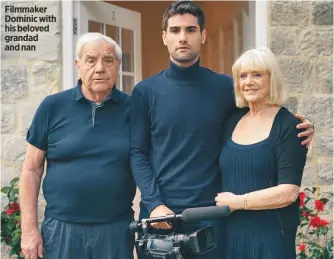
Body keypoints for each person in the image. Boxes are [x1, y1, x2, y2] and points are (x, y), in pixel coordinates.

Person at [130, 1, 313, 258]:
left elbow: (261, 119)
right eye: (175, 30)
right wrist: (154, 204)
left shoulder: (225, 89)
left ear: (203, 35)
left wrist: (301, 126)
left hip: (213, 217)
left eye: (191, 30)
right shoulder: (144, 92)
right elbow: (137, 153)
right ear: (164, 37)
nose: (183, 37)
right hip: (163, 218)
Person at [19, 33, 136, 259]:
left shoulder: (133, 109)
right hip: (62, 230)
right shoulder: (52, 107)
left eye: (108, 60)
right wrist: (29, 230)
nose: (100, 68)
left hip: (115, 230)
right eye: (91, 60)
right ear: (78, 65)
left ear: (118, 66)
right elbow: (31, 169)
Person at [215, 47, 307, 259]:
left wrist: (239, 202)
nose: (248, 82)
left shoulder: (288, 126)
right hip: (232, 236)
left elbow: (288, 192)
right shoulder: (232, 121)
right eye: (243, 76)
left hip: (271, 238)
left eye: (257, 74)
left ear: (271, 79)